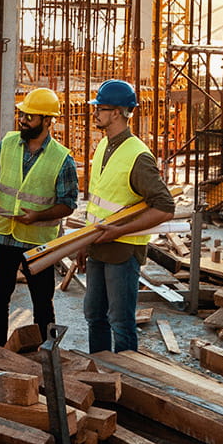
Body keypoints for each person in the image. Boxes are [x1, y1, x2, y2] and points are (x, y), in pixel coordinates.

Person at [75, 79, 174, 354]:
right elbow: (97, 204)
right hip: (97, 246)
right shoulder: (105, 147)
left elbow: (165, 207)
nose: (95, 113)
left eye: (100, 108)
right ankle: (101, 374)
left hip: (122, 251)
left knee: (120, 322)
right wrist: (85, 242)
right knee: (94, 316)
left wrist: (119, 231)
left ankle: (126, 382)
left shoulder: (138, 155)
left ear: (117, 112)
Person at [0, 87, 77, 347]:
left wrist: (38, 215)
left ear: (47, 121)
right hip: (6, 236)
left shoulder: (62, 159)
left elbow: (68, 205)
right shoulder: (8, 143)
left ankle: (47, 355)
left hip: (39, 241)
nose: (22, 120)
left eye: (29, 117)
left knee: (43, 303)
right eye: (22, 115)